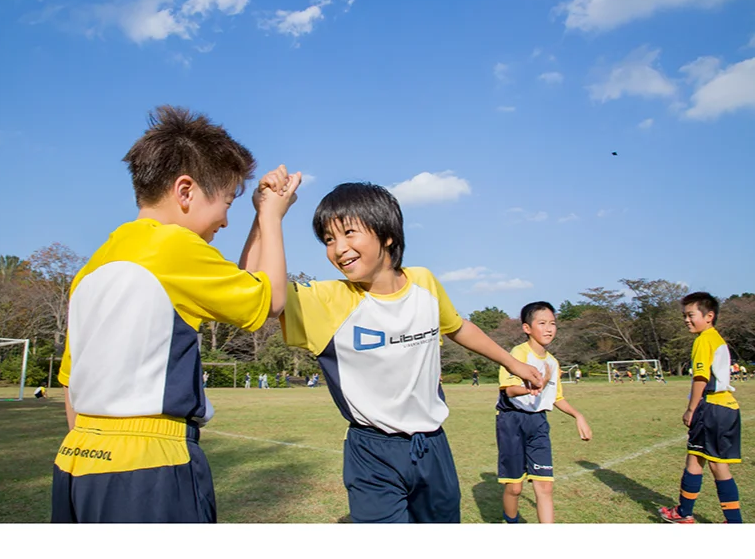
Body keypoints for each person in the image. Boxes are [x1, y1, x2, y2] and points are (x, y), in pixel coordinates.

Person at [51, 105, 301, 523]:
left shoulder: (95, 265)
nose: (224, 218)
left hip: (77, 461)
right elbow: (271, 300)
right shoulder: (172, 248)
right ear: (185, 191)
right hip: (149, 465)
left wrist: (259, 218)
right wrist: (272, 217)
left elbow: (70, 389)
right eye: (225, 201)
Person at [263, 181, 544, 523]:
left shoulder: (424, 282)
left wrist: (514, 363)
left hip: (434, 446)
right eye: (328, 239)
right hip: (372, 452)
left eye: (349, 233)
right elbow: (258, 295)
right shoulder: (324, 300)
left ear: (387, 235)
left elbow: (456, 326)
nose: (338, 249)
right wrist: (268, 214)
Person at [496, 301, 592, 524]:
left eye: (553, 323)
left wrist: (578, 416)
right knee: (514, 488)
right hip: (512, 421)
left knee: (545, 485)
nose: (549, 329)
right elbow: (509, 390)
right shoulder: (517, 354)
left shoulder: (553, 362)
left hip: (538, 422)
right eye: (542, 323)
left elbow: (556, 397)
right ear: (527, 328)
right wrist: (532, 386)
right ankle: (511, 523)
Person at [658, 292, 742, 524]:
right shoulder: (716, 338)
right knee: (696, 459)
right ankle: (684, 512)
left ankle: (733, 522)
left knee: (716, 465)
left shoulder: (704, 339)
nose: (686, 320)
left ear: (709, 316)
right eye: (684, 315)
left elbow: (701, 378)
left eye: (691, 315)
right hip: (725, 407)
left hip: (711, 408)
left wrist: (691, 409)